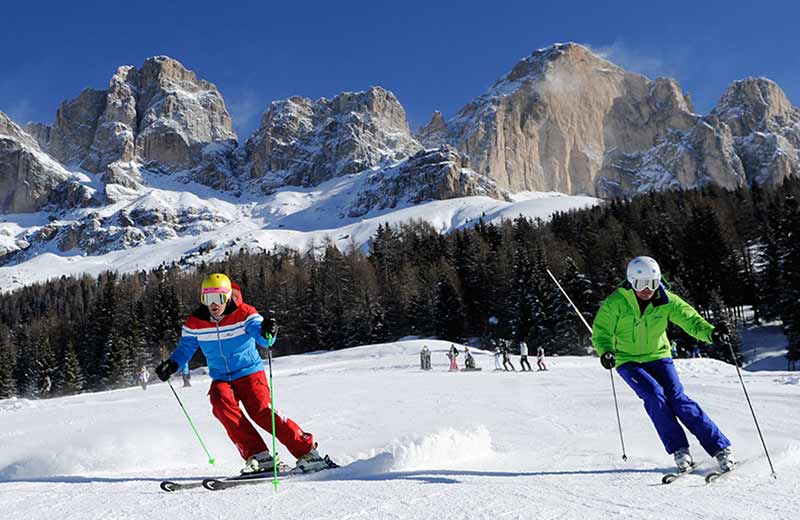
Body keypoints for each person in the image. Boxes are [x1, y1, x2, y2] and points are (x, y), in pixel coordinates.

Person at [155, 273, 331, 474]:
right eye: (208, 299)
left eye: (219, 298)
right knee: (220, 402)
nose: (213, 304)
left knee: (261, 410)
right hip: (221, 377)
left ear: (228, 296)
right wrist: (172, 364)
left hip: (249, 373)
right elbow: (185, 349)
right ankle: (259, 456)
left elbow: (264, 340)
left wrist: (268, 332)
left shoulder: (245, 314)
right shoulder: (195, 323)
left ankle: (307, 451)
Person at [592, 256, 736, 474]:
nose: (647, 289)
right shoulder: (616, 303)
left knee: (678, 399)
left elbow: (691, 320)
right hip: (628, 360)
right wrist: (606, 351)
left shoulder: (666, 299)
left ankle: (720, 448)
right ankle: (680, 449)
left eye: (652, 283)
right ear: (631, 282)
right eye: (641, 284)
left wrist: (712, 333)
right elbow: (602, 332)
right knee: (654, 395)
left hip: (658, 356)